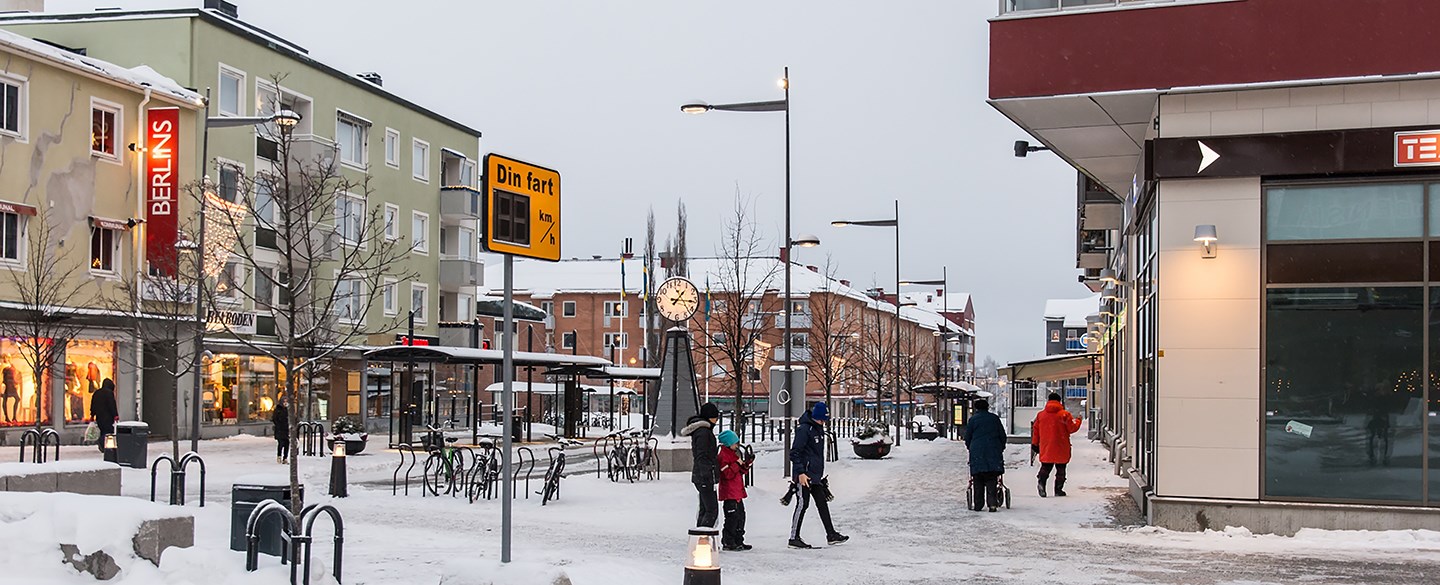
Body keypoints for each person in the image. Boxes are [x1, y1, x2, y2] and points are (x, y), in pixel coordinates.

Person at [788, 402, 847, 549]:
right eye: (821, 419)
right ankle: (793, 537)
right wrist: (800, 473)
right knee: (803, 504)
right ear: (815, 417)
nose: (823, 422)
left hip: (814, 475)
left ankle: (831, 534)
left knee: (822, 503)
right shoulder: (804, 429)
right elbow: (795, 452)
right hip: (804, 475)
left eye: (825, 420)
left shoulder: (818, 429)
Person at [1031, 392, 1082, 497]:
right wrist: (1078, 420)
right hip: (1061, 445)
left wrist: (1035, 444)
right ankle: (1058, 490)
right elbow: (1072, 428)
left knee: (1046, 467)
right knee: (1061, 469)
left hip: (1046, 445)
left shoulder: (1041, 415)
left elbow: (1035, 431)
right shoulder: (1064, 414)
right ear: (1059, 401)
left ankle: (1041, 482)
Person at [680, 402, 721, 528]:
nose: (717, 420)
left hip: (703, 476)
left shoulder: (702, 431)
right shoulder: (704, 432)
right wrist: (708, 474)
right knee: (711, 510)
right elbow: (702, 455)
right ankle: (703, 538)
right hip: (705, 476)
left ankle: (701, 538)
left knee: (705, 508)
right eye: (715, 417)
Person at [963, 399, 1007, 512]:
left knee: (978, 478)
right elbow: (1002, 435)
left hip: (977, 451)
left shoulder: (973, 420)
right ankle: (992, 503)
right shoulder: (994, 419)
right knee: (991, 477)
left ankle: (978, 504)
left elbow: (967, 437)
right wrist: (1000, 447)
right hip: (993, 450)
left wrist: (971, 448)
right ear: (987, 407)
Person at [717, 429, 753, 551]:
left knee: (741, 517)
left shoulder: (733, 455)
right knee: (731, 518)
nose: (737, 445)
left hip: (737, 492)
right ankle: (728, 541)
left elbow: (739, 471)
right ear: (728, 443)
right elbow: (727, 474)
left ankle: (738, 540)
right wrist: (737, 464)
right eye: (735, 443)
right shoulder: (723, 456)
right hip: (729, 493)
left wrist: (746, 464)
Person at [89, 378, 118, 452]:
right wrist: (115, 415)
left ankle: (104, 445)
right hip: (108, 416)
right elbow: (112, 405)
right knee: (108, 431)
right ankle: (103, 444)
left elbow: (93, 404)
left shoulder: (97, 393)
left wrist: (92, 415)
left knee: (103, 430)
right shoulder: (109, 393)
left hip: (99, 416)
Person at [273, 394, 290, 464]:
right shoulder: (278, 409)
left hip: (285, 429)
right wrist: (278, 425)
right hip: (279, 429)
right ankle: (279, 456)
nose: (285, 403)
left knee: (287, 443)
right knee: (281, 443)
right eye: (284, 401)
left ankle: (285, 458)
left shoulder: (287, 410)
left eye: (286, 401)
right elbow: (274, 419)